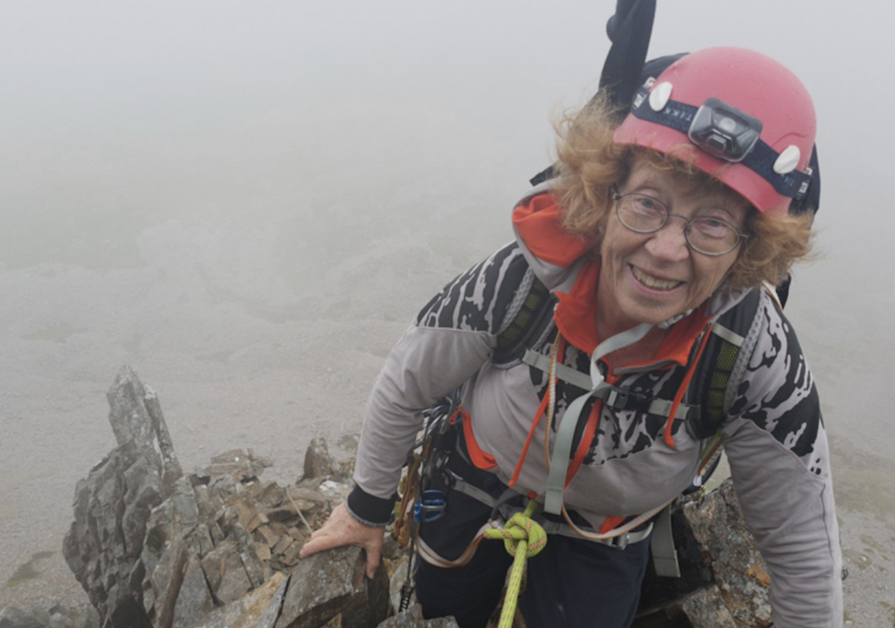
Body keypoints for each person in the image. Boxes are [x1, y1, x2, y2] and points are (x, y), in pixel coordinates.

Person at [301, 47, 842, 628]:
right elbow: (409, 381)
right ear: (605, 195)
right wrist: (365, 509)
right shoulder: (524, 279)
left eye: (712, 223)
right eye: (647, 203)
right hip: (473, 497)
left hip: (607, 536)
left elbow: (802, 547)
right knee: (446, 613)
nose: (665, 248)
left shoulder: (754, 352)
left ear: (750, 246)